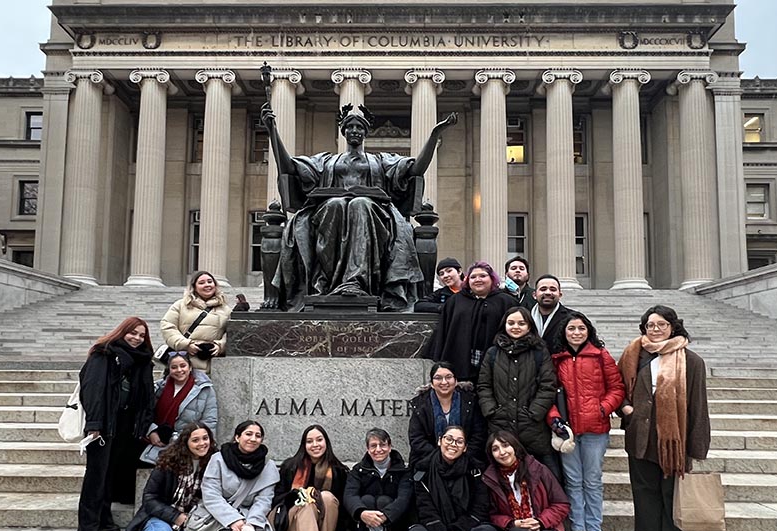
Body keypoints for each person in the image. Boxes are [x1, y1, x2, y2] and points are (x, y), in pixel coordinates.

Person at [262, 101, 458, 311]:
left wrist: (434, 135)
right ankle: (328, 283)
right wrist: (272, 131)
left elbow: (415, 170)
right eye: (350, 127)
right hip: (330, 212)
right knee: (336, 204)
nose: (354, 131)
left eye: (359, 127)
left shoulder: (380, 161)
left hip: (376, 214)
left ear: (366, 132)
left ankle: (356, 282)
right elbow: (289, 167)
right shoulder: (327, 161)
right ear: (343, 131)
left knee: (360, 204)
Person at [617, 305, 711, 531]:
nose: (656, 329)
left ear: (673, 327)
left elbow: (698, 405)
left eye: (661, 325)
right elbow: (618, 387)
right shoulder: (633, 354)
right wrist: (625, 409)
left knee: (671, 488)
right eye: (650, 325)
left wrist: (697, 444)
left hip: (673, 436)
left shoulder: (691, 360)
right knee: (644, 487)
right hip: (641, 433)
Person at [169, 420, 280, 531]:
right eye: (248, 434)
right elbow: (211, 494)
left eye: (257, 435)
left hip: (250, 513)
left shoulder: (268, 467)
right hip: (218, 513)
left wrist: (250, 523)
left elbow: (264, 500)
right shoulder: (219, 459)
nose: (253, 439)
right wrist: (234, 520)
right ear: (237, 437)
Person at [87, 423, 217, 531]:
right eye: (195, 440)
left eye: (205, 438)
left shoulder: (213, 463)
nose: (202, 443)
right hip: (160, 515)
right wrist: (175, 516)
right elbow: (149, 497)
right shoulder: (169, 461)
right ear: (186, 443)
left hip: (190, 521)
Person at [548, 312, 626, 531]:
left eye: (581, 328)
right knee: (573, 481)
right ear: (564, 332)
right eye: (571, 328)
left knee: (592, 480)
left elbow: (617, 388)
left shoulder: (600, 356)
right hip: (568, 431)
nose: (576, 333)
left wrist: (602, 409)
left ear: (588, 331)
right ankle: (578, 528)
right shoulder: (556, 360)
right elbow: (548, 393)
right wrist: (555, 419)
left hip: (595, 429)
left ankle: (594, 529)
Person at [77, 317, 155, 531]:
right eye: (133, 333)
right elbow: (93, 389)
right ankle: (87, 525)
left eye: (141, 335)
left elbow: (147, 395)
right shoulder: (104, 354)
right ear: (122, 332)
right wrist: (94, 424)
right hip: (102, 423)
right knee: (96, 474)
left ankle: (104, 517)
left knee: (112, 473)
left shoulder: (142, 361)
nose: (137, 338)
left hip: (126, 424)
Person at [405, 424, 498, 531]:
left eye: (459, 441)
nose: (453, 444)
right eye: (449, 439)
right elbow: (425, 510)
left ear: (465, 448)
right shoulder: (422, 470)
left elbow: (479, 509)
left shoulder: (475, 470)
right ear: (440, 441)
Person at [477, 307, 561, 484]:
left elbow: (548, 385)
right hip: (501, 423)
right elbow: (484, 385)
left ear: (529, 326)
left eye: (521, 323)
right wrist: (492, 411)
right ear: (504, 325)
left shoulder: (539, 352)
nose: (516, 327)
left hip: (532, 426)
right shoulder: (493, 353)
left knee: (547, 478)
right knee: (502, 478)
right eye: (511, 323)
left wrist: (533, 413)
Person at [343, 428, 413, 531]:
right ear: (367, 449)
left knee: (383, 501)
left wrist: (386, 516)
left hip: (393, 527)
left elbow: (404, 499)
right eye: (373, 446)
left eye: (382, 444)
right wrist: (362, 513)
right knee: (366, 500)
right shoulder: (358, 470)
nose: (378, 449)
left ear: (390, 446)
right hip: (363, 526)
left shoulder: (403, 471)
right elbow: (349, 495)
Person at [428, 261, 517, 382]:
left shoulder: (506, 301)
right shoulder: (456, 301)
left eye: (483, 276)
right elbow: (445, 329)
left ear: (492, 278)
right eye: (473, 277)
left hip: (497, 364)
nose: (477, 279)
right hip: (461, 363)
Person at [408, 361, 487, 464]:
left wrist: (460, 455)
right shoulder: (421, 405)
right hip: (429, 462)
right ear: (431, 383)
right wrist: (440, 457)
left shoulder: (470, 402)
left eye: (448, 377)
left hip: (465, 462)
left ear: (455, 381)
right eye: (438, 378)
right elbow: (416, 438)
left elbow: (479, 435)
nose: (444, 382)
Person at [160, 270, 232, 372]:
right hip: (184, 363)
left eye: (210, 281)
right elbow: (167, 326)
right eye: (201, 283)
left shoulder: (226, 310)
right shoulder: (180, 305)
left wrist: (220, 345)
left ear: (215, 285)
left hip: (211, 363)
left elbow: (232, 332)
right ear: (194, 287)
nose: (207, 285)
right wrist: (185, 344)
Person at [145, 351, 218, 452]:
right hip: (156, 442)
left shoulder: (205, 390)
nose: (179, 370)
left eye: (183, 366)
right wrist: (151, 431)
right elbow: (145, 413)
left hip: (189, 446)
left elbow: (209, 421)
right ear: (169, 369)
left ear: (190, 367)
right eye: (174, 367)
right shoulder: (157, 388)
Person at [530, 274, 572, 355]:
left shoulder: (571, 318)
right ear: (534, 295)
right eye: (543, 289)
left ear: (560, 295)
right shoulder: (524, 317)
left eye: (553, 289)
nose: (548, 293)